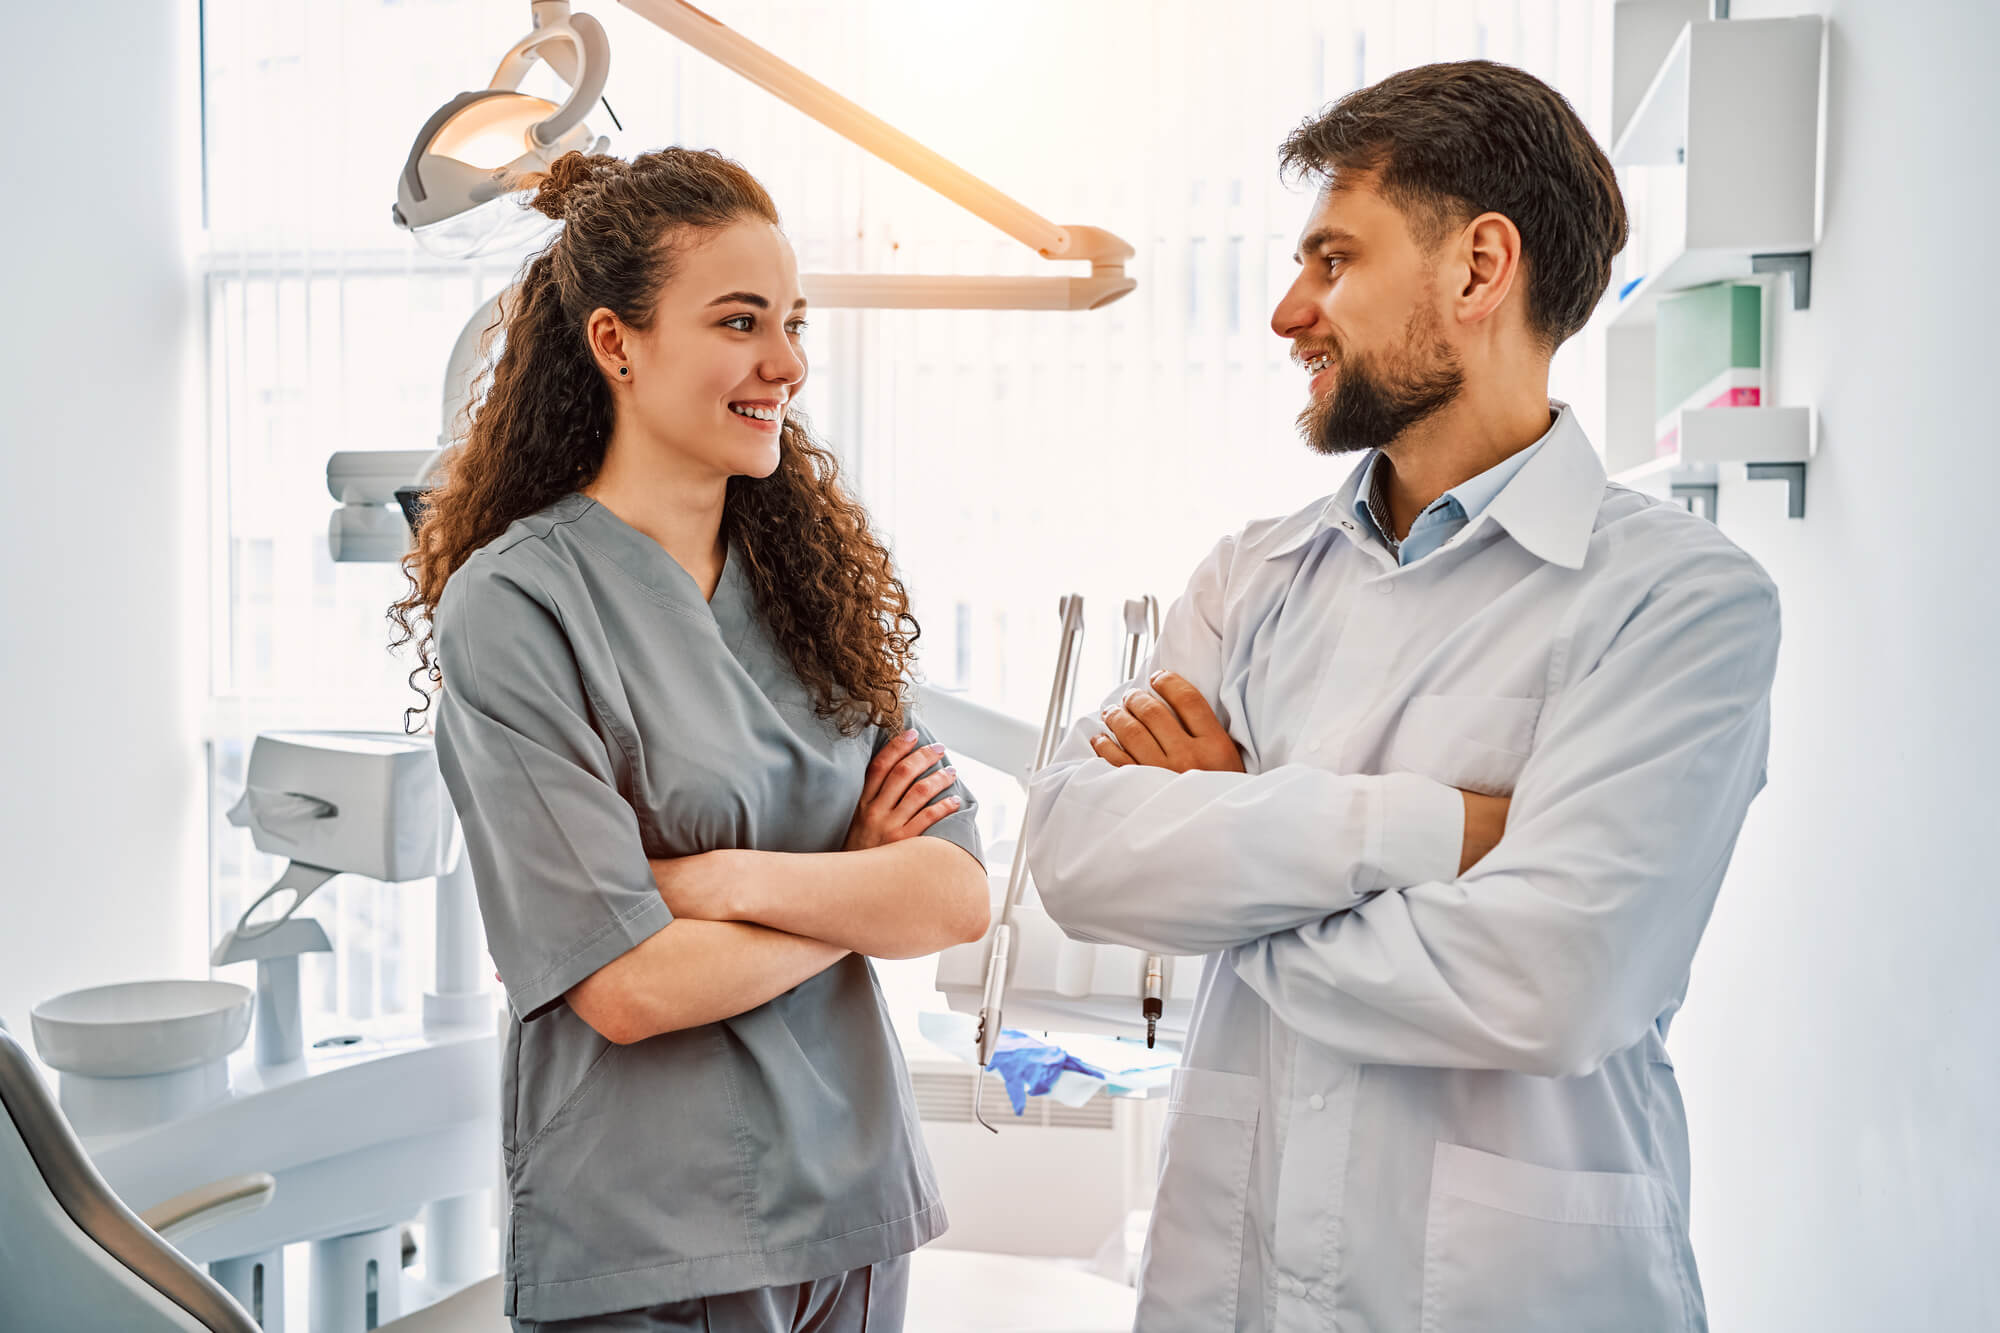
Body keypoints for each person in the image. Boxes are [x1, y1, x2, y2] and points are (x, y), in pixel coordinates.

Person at [1026, 61, 1778, 1332]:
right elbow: (1075, 856)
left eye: (1330, 261)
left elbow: (1543, 982)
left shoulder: (1679, 603)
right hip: (1237, 1287)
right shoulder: (1247, 576)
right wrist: (1434, 833)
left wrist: (1232, 836)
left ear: (1478, 270)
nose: (1285, 312)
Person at [391, 147, 989, 1332]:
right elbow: (626, 986)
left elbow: (954, 895)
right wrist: (849, 889)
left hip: (858, 1214)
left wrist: (716, 882)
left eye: (792, 323)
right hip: (651, 1238)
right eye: (739, 321)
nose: (786, 363)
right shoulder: (520, 607)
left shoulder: (807, 590)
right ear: (616, 344)